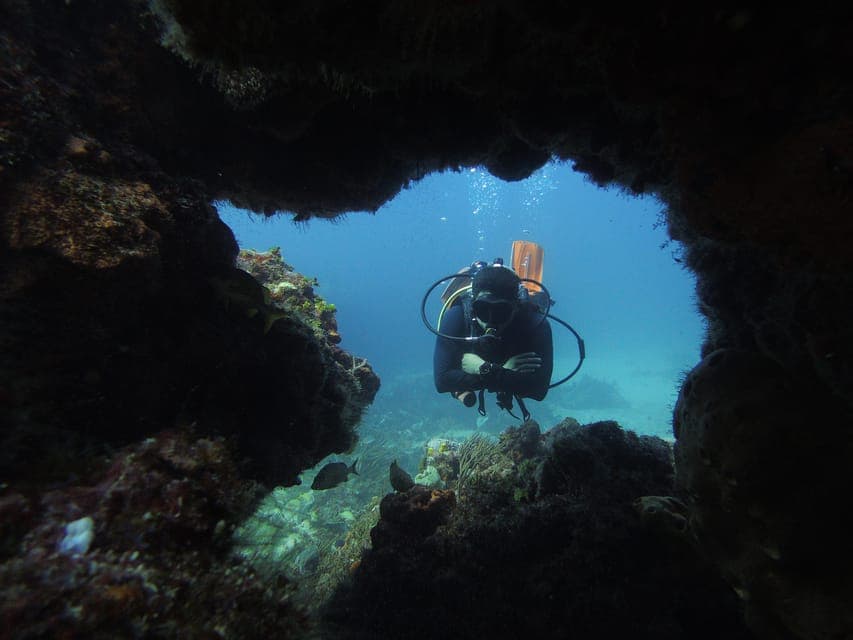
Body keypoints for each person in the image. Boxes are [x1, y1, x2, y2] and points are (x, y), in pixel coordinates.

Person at [433, 263, 553, 420]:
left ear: (516, 308)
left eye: (501, 312)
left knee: (537, 303)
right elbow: (442, 382)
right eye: (483, 310)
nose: (490, 321)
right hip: (503, 370)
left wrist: (483, 369)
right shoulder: (457, 315)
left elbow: (539, 391)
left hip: (482, 365)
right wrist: (503, 373)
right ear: (472, 307)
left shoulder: (535, 324)